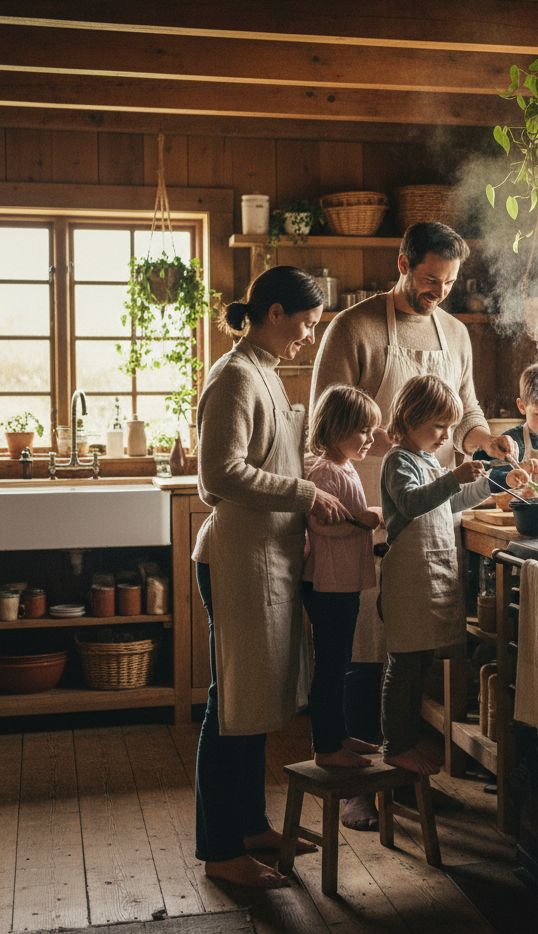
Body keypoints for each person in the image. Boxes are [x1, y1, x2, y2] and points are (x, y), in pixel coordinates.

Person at [309, 220, 518, 828]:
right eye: (429, 279)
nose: (439, 292)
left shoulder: (454, 332)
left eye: (449, 282)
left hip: (430, 501)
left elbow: (468, 412)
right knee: (363, 645)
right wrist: (332, 502)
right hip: (364, 499)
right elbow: (325, 422)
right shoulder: (355, 327)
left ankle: (399, 777)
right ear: (402, 263)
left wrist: (487, 446)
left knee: (411, 643)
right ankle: (357, 782)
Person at [192, 265, 345, 890]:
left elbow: (268, 461)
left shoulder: (264, 371)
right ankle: (220, 849)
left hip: (268, 558)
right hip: (238, 559)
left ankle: (251, 824)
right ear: (275, 312)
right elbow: (218, 477)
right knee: (231, 704)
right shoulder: (234, 376)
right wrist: (305, 492)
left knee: (252, 702)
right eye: (307, 323)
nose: (310, 335)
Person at [378, 374, 532, 774]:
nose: (447, 435)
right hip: (408, 579)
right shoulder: (398, 461)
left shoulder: (429, 459)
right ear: (409, 420)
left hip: (427, 576)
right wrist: (453, 477)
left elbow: (451, 503)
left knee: (418, 663)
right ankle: (395, 746)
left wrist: (494, 483)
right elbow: (412, 504)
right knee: (404, 665)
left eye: (450, 426)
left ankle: (404, 743)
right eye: (439, 426)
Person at [302, 384, 387, 769]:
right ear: (336, 428)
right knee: (332, 665)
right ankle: (325, 747)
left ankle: (338, 735)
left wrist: (363, 513)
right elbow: (321, 525)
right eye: (363, 430)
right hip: (328, 583)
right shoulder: (323, 471)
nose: (370, 438)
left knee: (340, 661)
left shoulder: (343, 466)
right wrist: (360, 523)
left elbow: (344, 513)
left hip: (343, 581)